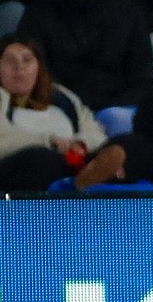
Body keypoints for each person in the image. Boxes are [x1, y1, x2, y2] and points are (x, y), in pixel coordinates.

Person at [18, 0, 153, 114]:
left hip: (116, 108)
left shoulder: (126, 14)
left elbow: (143, 79)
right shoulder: (39, 15)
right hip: (57, 109)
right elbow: (32, 74)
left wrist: (111, 108)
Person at [0, 34, 124, 192]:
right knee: (41, 160)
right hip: (21, 164)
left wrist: (80, 143)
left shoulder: (62, 97)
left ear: (38, 66)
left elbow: (95, 132)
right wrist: (49, 141)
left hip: (74, 158)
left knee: (132, 147)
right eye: (10, 60)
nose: (19, 67)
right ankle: (77, 184)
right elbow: (2, 141)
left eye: (27, 60)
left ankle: (88, 177)